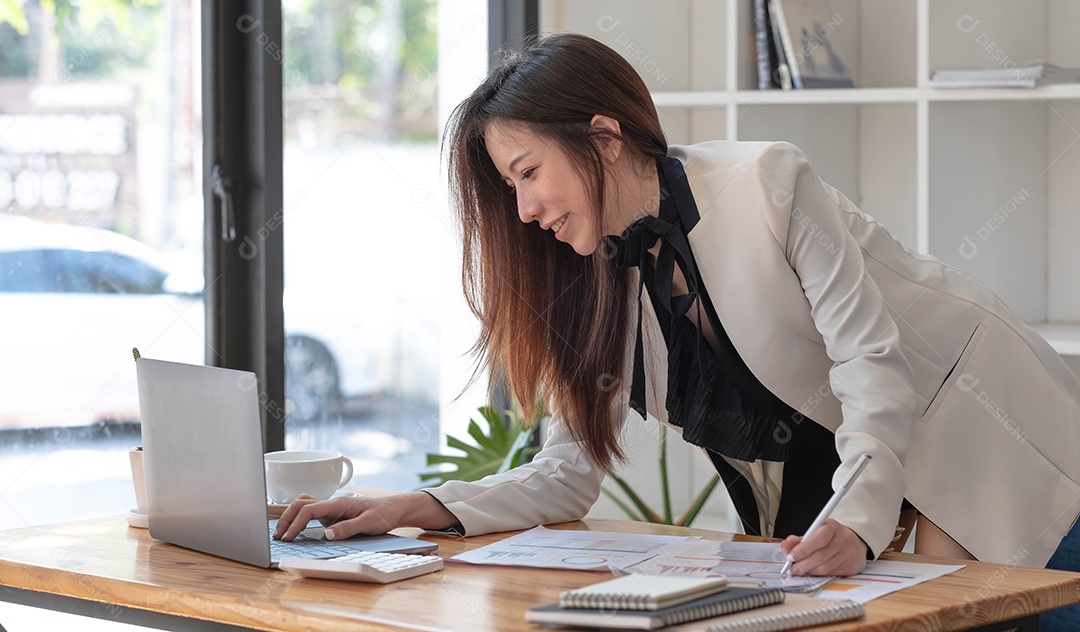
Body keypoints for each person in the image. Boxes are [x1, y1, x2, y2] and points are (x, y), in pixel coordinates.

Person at [275, 33, 1080, 627]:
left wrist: (856, 522)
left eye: (528, 174)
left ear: (602, 136)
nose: (522, 210)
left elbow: (871, 365)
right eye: (508, 186)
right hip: (852, 487)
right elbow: (565, 474)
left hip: (981, 430)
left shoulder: (767, 184)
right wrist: (418, 506)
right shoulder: (593, 278)